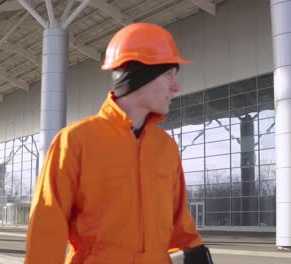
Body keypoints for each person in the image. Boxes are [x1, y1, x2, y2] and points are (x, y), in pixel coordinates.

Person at [25, 23, 213, 263]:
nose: (176, 87)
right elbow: (46, 230)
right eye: (169, 75)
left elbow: (182, 230)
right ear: (140, 75)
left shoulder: (166, 147)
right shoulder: (75, 142)